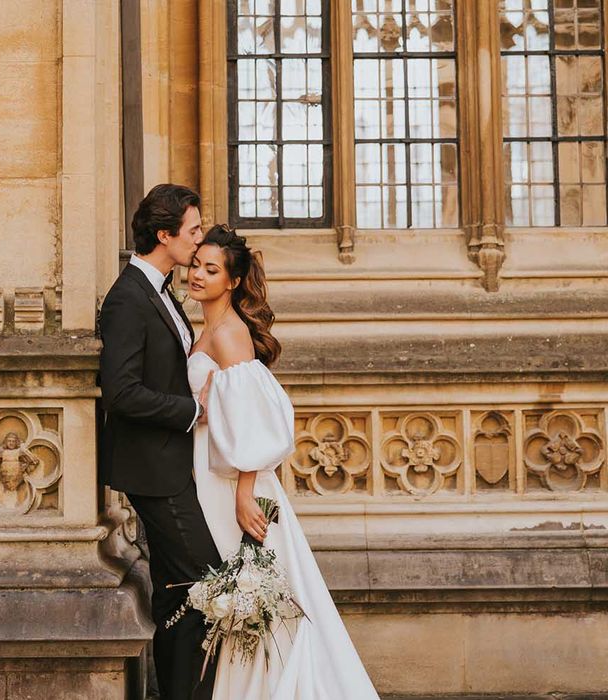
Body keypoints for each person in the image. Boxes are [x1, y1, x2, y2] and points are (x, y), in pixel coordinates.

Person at [186, 225, 380, 699]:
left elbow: (257, 420)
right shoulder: (208, 328)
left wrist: (245, 492)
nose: (197, 275)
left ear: (231, 281)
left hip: (235, 486)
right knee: (244, 592)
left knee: (256, 589)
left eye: (211, 270)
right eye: (195, 264)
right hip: (215, 478)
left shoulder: (230, 335)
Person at [99, 184, 221, 699]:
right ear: (165, 234)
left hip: (172, 466)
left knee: (178, 592)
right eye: (192, 230)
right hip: (154, 471)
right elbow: (122, 392)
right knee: (206, 581)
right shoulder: (128, 297)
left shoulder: (163, 291)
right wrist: (193, 411)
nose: (199, 240)